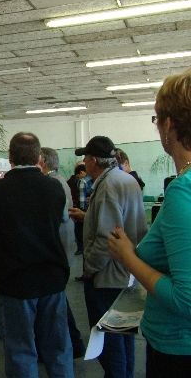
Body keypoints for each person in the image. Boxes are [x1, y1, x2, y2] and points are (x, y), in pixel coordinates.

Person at [108, 69, 191, 377]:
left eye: (157, 120)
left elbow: (186, 298)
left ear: (169, 124)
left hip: (178, 349)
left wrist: (128, 256)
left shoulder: (183, 192)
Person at [0, 132, 74, 378]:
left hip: (15, 283)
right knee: (58, 348)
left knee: (20, 351)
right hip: (51, 279)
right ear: (39, 157)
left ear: (10, 158)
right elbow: (62, 219)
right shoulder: (55, 186)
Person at [69, 136, 147, 378]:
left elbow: (107, 237)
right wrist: (87, 216)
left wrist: (90, 268)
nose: (83, 162)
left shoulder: (107, 186)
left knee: (109, 344)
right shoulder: (125, 179)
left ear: (94, 160)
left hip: (108, 277)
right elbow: (120, 220)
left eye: (85, 158)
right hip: (127, 273)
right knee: (123, 338)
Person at [38, 147, 86, 359]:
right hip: (62, 251)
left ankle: (72, 344)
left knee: (56, 304)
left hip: (57, 253)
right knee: (57, 302)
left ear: (43, 162)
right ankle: (73, 343)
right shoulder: (59, 181)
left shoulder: (53, 184)